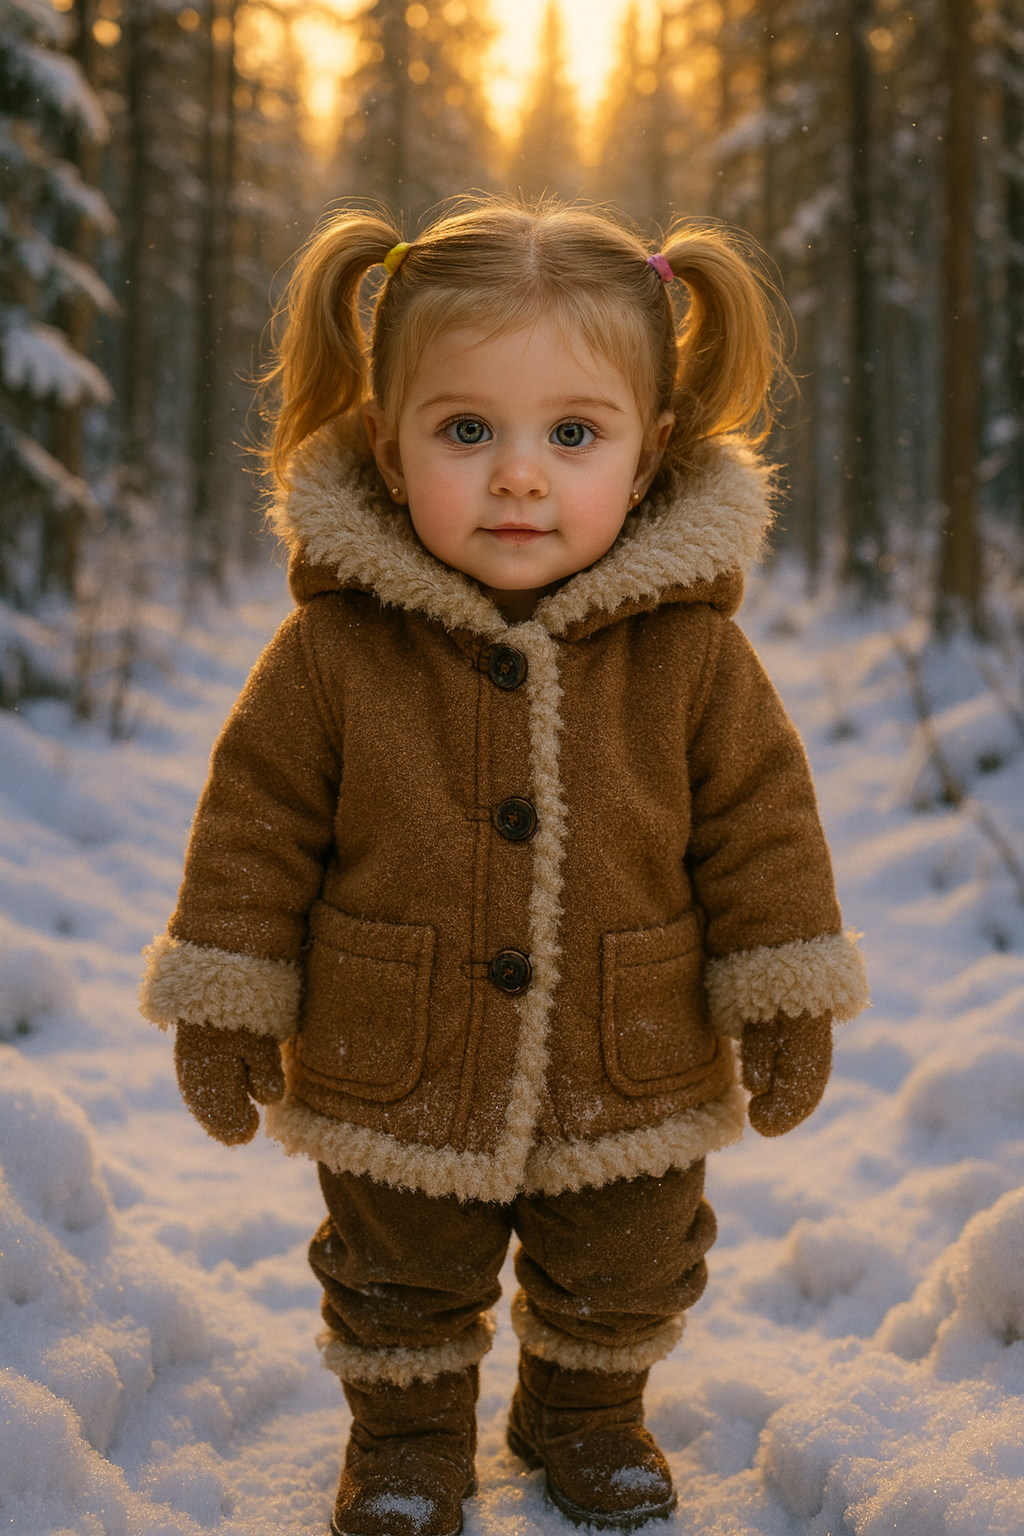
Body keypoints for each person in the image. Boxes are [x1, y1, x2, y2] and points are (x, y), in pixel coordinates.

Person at [139, 198, 868, 1536]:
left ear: (644, 461)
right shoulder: (334, 655)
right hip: (394, 1044)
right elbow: (255, 824)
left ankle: (584, 1414)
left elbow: (762, 825)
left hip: (627, 1038)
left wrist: (782, 986)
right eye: (467, 430)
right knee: (394, 1269)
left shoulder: (694, 659)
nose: (518, 475)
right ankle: (408, 1441)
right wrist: (228, 994)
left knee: (632, 1260)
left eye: (570, 435)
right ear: (387, 439)